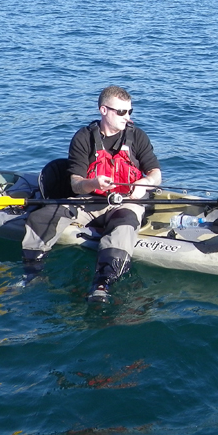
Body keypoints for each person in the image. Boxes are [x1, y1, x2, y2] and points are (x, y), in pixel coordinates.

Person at [21, 85, 162, 304]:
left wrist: (145, 183)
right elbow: (76, 185)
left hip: (125, 202)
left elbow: (156, 174)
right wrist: (93, 183)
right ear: (103, 110)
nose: (128, 117)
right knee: (40, 217)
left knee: (123, 227)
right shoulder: (83, 138)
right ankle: (32, 272)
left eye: (130, 112)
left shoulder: (138, 136)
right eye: (121, 112)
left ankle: (102, 284)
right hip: (88, 200)